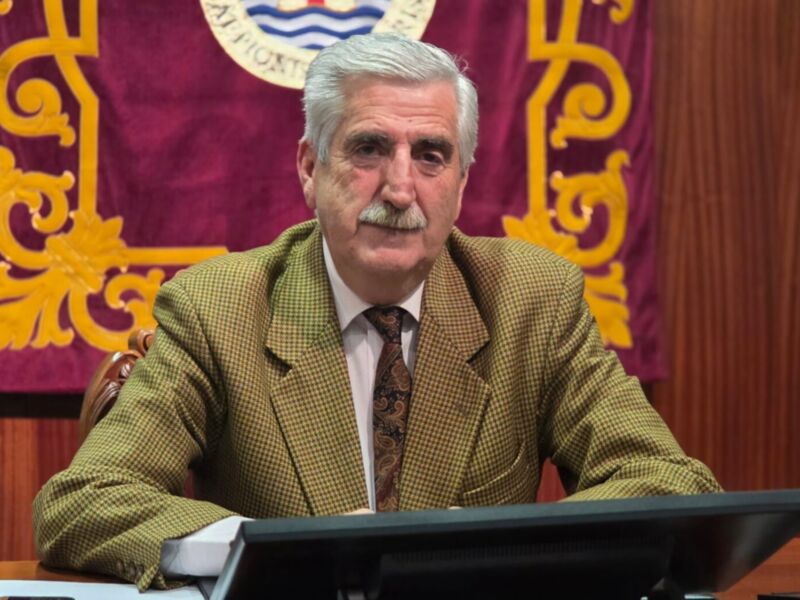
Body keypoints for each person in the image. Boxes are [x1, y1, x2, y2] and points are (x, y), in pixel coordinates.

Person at [32, 33, 720, 590]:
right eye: (369, 148)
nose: (399, 188)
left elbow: (669, 484)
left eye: (431, 155)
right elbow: (85, 501)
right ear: (310, 168)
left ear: (461, 182)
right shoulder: (218, 308)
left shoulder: (532, 302)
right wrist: (281, 551)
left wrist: (498, 548)